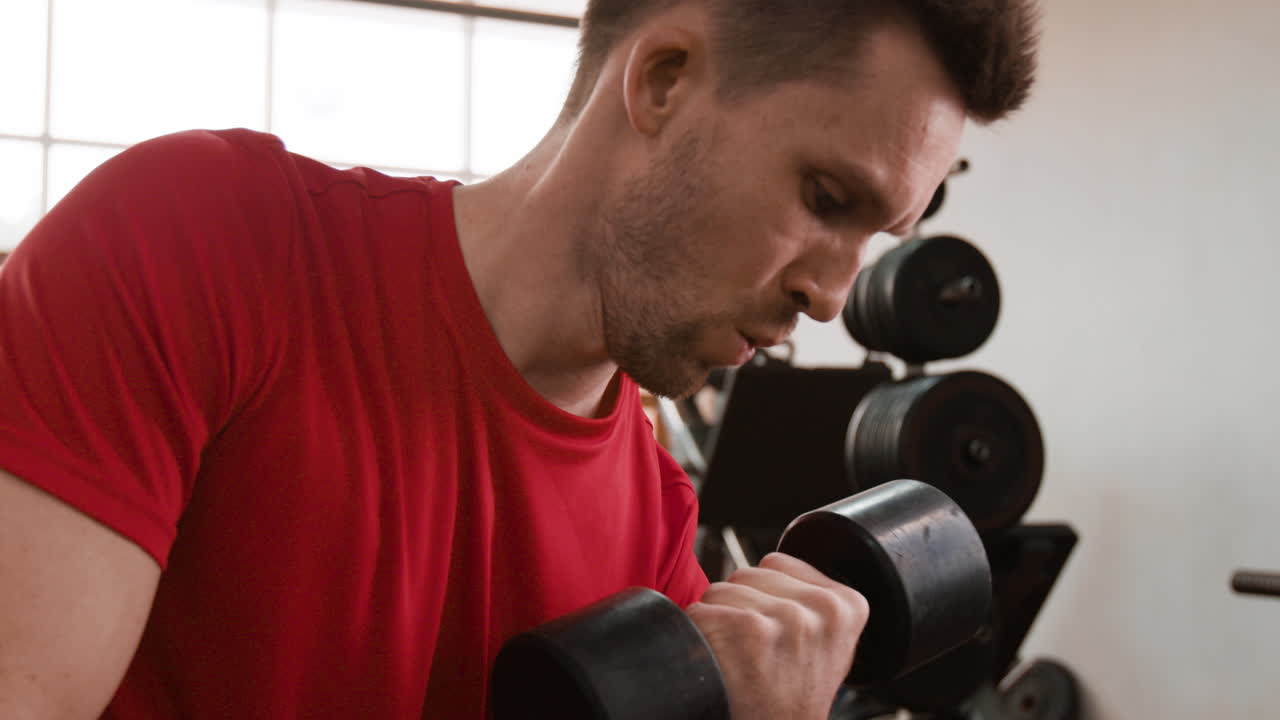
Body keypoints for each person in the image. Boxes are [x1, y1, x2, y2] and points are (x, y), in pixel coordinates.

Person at [0, 0, 1039, 717]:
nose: (830, 290)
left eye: (874, 238)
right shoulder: (200, 241)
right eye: (822, 199)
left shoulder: (657, 539)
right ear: (665, 80)